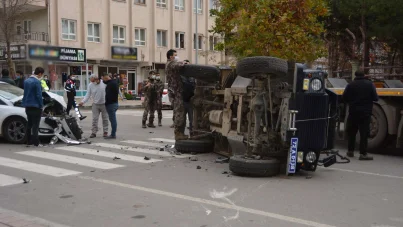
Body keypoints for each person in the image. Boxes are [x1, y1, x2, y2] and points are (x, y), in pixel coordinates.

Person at [342, 70, 379, 161]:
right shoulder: (369, 84)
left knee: (352, 132)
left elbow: (344, 98)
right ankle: (363, 154)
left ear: (355, 75)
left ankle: (350, 151)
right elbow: (375, 98)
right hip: (365, 113)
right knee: (364, 134)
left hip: (353, 112)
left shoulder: (350, 85)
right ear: (364, 75)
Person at [165, 49, 187, 140]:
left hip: (175, 90)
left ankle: (179, 132)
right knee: (179, 112)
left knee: (179, 111)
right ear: (171, 57)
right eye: (175, 55)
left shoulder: (169, 64)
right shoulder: (171, 64)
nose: (176, 56)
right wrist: (184, 62)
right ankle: (178, 133)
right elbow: (180, 65)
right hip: (175, 91)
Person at [79, 74, 108, 138]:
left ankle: (105, 131)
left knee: (105, 119)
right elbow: (88, 94)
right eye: (91, 81)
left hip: (104, 104)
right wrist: (82, 101)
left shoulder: (104, 83)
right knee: (95, 119)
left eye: (93, 81)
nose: (92, 82)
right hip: (95, 104)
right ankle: (94, 132)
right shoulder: (90, 85)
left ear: (97, 79)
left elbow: (108, 92)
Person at [22, 67, 45, 147]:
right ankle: (36, 142)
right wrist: (41, 105)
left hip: (27, 105)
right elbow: (39, 95)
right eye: (42, 74)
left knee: (29, 123)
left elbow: (25, 93)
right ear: (39, 74)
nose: (41, 76)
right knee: (35, 125)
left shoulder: (26, 81)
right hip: (35, 106)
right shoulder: (37, 82)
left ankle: (28, 141)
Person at [103, 73, 119, 139]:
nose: (103, 81)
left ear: (106, 78)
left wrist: (106, 103)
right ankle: (113, 133)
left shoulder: (110, 84)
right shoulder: (114, 83)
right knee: (113, 119)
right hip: (115, 103)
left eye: (104, 79)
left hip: (111, 104)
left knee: (113, 120)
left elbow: (108, 95)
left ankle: (113, 134)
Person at [181, 60, 195, 135]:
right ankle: (181, 134)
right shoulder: (180, 76)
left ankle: (192, 134)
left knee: (192, 120)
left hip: (190, 101)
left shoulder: (193, 77)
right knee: (182, 119)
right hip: (182, 100)